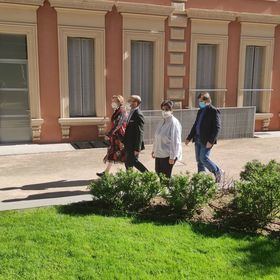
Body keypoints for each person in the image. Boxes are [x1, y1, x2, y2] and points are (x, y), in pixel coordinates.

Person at [185, 92, 224, 183]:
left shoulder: (213, 111)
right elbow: (196, 125)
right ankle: (201, 179)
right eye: (199, 101)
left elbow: (217, 127)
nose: (200, 103)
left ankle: (217, 171)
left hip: (206, 140)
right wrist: (189, 137)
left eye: (201, 101)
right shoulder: (200, 111)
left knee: (204, 158)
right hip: (198, 138)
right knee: (199, 160)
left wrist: (211, 140)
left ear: (208, 100)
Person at [96, 95, 127, 177]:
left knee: (124, 155)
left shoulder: (122, 111)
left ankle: (132, 174)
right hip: (115, 136)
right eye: (112, 101)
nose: (112, 103)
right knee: (112, 153)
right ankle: (106, 172)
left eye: (114, 101)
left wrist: (109, 134)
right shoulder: (117, 111)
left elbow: (118, 124)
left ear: (119, 102)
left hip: (120, 137)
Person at [152, 100, 182, 178]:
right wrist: (154, 150)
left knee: (166, 176)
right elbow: (157, 136)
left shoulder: (174, 123)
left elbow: (175, 141)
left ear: (171, 110)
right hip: (159, 153)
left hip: (168, 155)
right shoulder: (162, 121)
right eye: (163, 109)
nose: (164, 111)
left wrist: (172, 157)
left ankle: (169, 189)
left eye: (167, 109)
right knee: (158, 172)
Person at [123, 95, 148, 172]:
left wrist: (137, 148)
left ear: (136, 103)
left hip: (134, 145)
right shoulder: (131, 112)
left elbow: (140, 132)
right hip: (128, 143)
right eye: (129, 100)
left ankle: (148, 175)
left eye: (131, 101)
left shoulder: (138, 114)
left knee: (133, 162)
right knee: (128, 162)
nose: (129, 102)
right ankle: (129, 180)